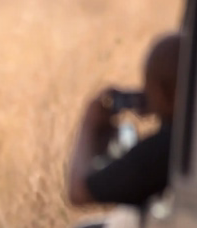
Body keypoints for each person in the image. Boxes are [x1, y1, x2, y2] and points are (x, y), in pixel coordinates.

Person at [67, 33, 181, 208]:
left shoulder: (164, 149)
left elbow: (78, 191)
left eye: (149, 89)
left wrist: (89, 125)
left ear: (165, 93)